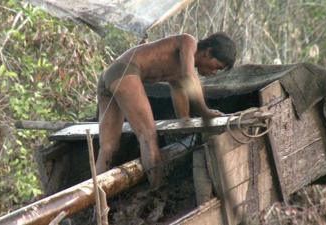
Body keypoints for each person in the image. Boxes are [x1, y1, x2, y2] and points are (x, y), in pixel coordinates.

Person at [96, 32, 236, 188]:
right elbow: (189, 77)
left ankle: (96, 199)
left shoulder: (179, 67)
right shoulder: (188, 42)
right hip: (124, 71)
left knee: (108, 146)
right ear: (208, 52)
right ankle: (156, 190)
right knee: (148, 135)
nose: (214, 72)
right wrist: (205, 111)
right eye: (217, 67)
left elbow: (178, 87)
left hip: (109, 76)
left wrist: (184, 119)